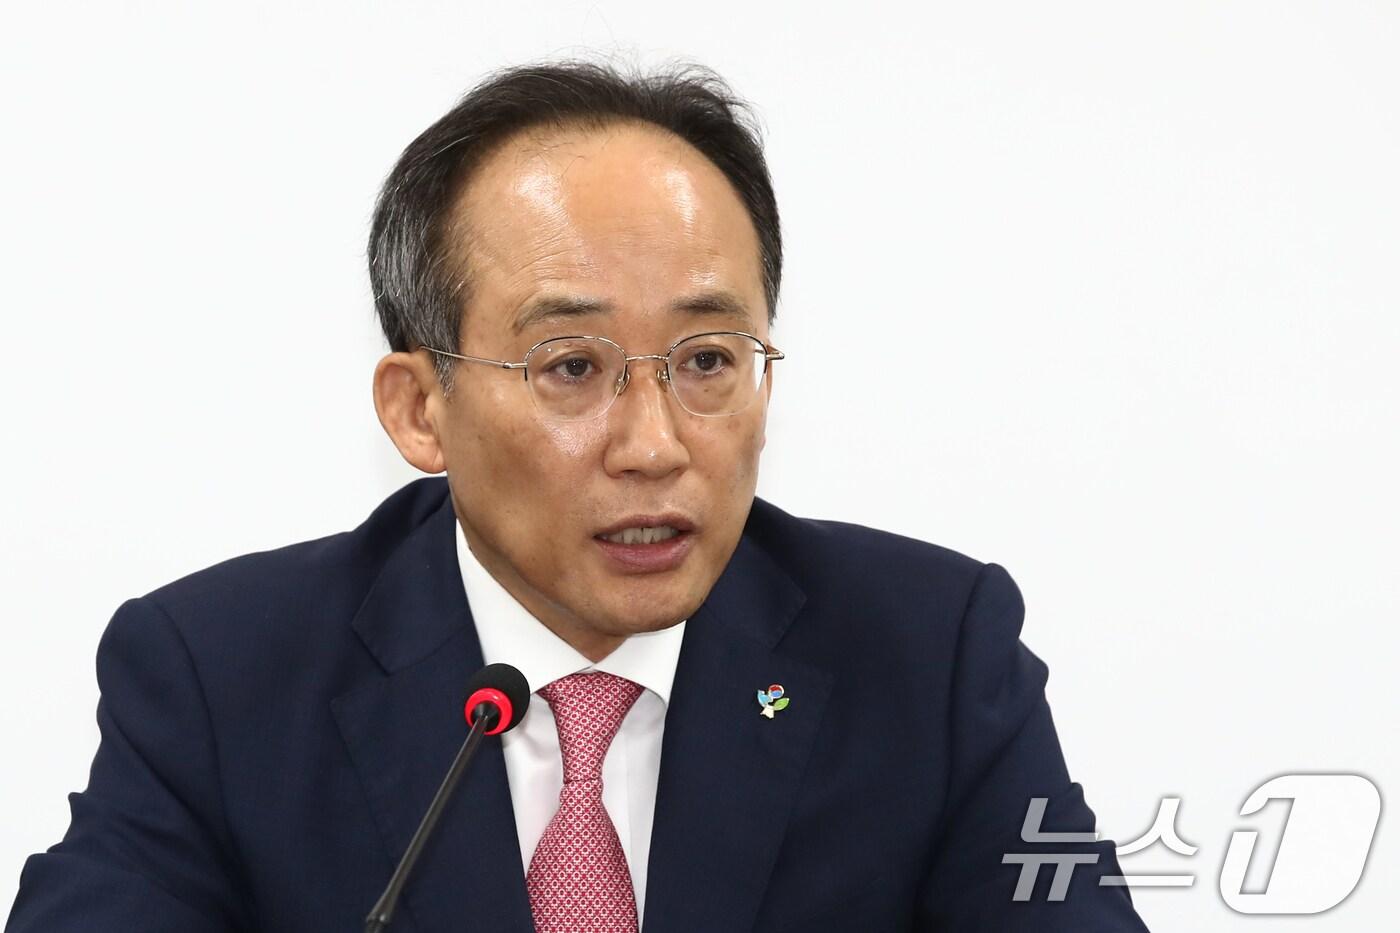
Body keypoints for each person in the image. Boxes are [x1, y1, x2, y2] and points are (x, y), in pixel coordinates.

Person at [6, 61, 1150, 931]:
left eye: (707, 361)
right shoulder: (221, 681)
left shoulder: (929, 656)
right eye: (570, 368)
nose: (653, 445)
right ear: (418, 409)